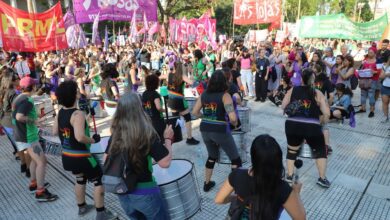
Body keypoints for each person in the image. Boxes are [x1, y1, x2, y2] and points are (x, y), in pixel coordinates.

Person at [53, 80, 116, 220]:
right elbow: (80, 136)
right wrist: (93, 140)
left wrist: (87, 117)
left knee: (80, 178)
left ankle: (82, 207)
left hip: (67, 156)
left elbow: (55, 131)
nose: (78, 92)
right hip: (82, 157)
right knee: (99, 180)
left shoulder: (60, 113)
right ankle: (101, 213)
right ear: (74, 95)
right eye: (76, 90)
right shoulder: (78, 114)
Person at [107, 93, 173, 220]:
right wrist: (168, 139)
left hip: (123, 192)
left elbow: (107, 159)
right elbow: (165, 163)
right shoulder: (146, 133)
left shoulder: (115, 134)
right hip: (145, 192)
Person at [215, 135, 306, 220]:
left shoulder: (237, 174)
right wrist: (296, 193)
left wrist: (236, 197)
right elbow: (301, 218)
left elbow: (219, 200)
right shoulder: (282, 188)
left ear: (253, 158)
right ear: (278, 160)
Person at [192, 70, 242, 192]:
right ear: (224, 82)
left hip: (205, 130)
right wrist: (234, 124)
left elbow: (194, 112)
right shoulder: (225, 96)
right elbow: (233, 118)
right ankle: (235, 188)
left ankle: (207, 183)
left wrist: (206, 118)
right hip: (220, 130)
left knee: (212, 156)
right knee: (235, 159)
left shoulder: (204, 94)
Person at [282, 69, 331, 188]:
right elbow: (327, 113)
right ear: (313, 80)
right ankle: (322, 178)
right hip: (312, 126)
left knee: (292, 150)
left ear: (301, 79)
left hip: (292, 124)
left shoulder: (293, 89)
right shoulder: (317, 93)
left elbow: (283, 106)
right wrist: (321, 122)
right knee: (320, 151)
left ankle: (289, 176)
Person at [12, 76, 58, 201]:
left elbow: (20, 113)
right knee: (42, 162)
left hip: (22, 135)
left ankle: (34, 184)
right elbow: (19, 117)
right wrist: (34, 121)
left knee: (34, 161)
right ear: (32, 87)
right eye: (35, 85)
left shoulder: (20, 97)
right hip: (28, 136)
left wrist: (35, 115)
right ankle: (40, 191)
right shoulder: (27, 101)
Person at [162, 61, 200, 145]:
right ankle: (189, 138)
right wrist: (192, 73)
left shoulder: (169, 74)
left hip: (171, 100)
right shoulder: (182, 76)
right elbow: (193, 84)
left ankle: (174, 137)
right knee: (187, 117)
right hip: (179, 101)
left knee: (175, 118)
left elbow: (160, 77)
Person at [0, 68, 28, 176]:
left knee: (18, 145)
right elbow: (18, 111)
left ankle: (23, 164)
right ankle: (28, 168)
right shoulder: (13, 93)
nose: (18, 79)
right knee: (24, 146)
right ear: (12, 80)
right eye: (16, 77)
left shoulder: (3, 90)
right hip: (13, 122)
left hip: (5, 122)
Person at [142, 74, 166, 140]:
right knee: (161, 140)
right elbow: (158, 107)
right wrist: (164, 110)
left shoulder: (144, 93)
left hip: (147, 121)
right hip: (157, 121)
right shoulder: (155, 94)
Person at [357, 48, 378, 118]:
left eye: (371, 52)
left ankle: (372, 110)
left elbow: (380, 71)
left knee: (371, 95)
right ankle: (363, 108)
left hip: (373, 80)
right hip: (364, 80)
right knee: (363, 94)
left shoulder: (378, 61)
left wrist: (374, 72)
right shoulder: (364, 60)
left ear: (375, 53)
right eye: (369, 52)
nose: (370, 54)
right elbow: (360, 69)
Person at [379, 50, 390, 123]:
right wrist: (387, 74)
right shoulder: (384, 66)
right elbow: (381, 76)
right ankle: (385, 116)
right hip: (385, 87)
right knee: (385, 102)